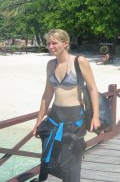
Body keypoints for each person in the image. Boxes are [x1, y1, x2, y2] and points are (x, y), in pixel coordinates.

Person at [32, 29, 101, 182]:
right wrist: (38, 121)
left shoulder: (79, 61)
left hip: (74, 118)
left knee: (71, 163)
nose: (50, 47)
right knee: (49, 158)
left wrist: (95, 116)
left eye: (54, 43)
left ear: (65, 43)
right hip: (54, 117)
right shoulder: (50, 64)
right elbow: (47, 95)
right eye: (48, 43)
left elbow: (92, 89)